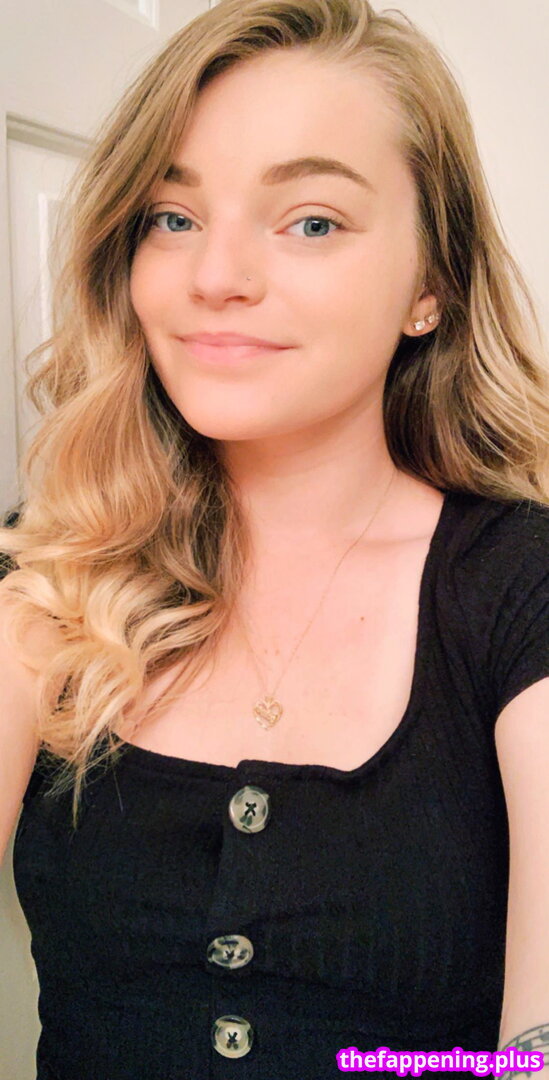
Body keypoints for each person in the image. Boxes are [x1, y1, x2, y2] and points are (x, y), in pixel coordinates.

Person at [1, 0, 548, 1077]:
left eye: (311, 222)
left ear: (429, 286)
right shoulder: (52, 571)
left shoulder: (519, 587)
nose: (216, 276)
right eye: (172, 216)